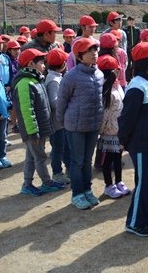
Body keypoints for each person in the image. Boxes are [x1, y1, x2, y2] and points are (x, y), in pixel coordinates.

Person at [118, 42, 148, 237]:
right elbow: (127, 119)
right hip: (141, 144)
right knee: (143, 184)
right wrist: (127, 141)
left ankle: (146, 218)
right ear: (147, 62)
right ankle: (134, 222)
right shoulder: (136, 86)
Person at [55, 38, 104, 209]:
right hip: (75, 126)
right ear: (79, 55)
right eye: (89, 51)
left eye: (95, 50)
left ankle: (87, 190)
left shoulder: (99, 74)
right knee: (77, 161)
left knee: (87, 160)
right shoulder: (71, 76)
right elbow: (61, 101)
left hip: (92, 125)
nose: (94, 54)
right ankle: (77, 193)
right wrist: (62, 121)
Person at [13, 48, 65, 196]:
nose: (44, 65)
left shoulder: (36, 79)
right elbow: (26, 110)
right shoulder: (25, 83)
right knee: (40, 157)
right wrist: (32, 131)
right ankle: (47, 183)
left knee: (31, 156)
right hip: (34, 130)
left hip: (39, 128)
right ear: (31, 64)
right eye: (41, 62)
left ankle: (27, 184)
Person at [96, 54, 129, 199]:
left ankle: (119, 181)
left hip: (119, 129)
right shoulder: (105, 90)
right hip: (110, 131)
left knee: (117, 158)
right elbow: (104, 114)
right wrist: (102, 130)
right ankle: (109, 185)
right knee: (108, 159)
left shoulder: (115, 86)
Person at [44, 48, 71, 185]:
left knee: (65, 146)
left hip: (61, 121)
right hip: (57, 122)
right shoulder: (54, 80)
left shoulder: (56, 77)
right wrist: (67, 101)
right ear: (62, 64)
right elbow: (54, 102)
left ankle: (68, 169)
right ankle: (57, 172)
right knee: (58, 149)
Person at [5, 40, 21, 133]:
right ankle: (14, 125)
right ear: (9, 50)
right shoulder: (7, 61)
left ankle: (17, 123)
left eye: (18, 49)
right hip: (11, 87)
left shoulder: (18, 60)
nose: (17, 51)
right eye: (14, 49)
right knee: (13, 107)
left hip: (18, 85)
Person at [123, 16, 141, 81]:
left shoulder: (137, 30)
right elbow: (125, 40)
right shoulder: (124, 30)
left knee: (135, 64)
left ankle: (135, 77)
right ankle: (127, 78)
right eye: (129, 20)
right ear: (127, 21)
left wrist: (135, 47)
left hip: (135, 51)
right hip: (127, 50)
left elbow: (139, 39)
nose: (131, 22)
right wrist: (130, 47)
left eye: (132, 20)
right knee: (127, 64)